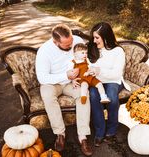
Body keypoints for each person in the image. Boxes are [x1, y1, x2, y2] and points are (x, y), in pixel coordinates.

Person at [35, 24, 93, 156]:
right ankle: (60, 133)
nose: (71, 45)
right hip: (52, 83)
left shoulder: (77, 41)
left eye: (71, 41)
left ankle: (82, 136)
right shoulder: (44, 51)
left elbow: (85, 60)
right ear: (55, 42)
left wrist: (78, 76)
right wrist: (65, 75)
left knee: (83, 93)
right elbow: (42, 77)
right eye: (67, 45)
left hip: (72, 82)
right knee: (47, 94)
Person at [87, 22, 131, 147]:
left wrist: (100, 71)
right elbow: (86, 64)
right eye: (93, 37)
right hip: (96, 81)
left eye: (97, 38)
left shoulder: (118, 51)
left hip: (113, 80)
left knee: (111, 96)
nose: (94, 41)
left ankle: (111, 129)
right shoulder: (92, 47)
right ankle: (100, 132)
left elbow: (116, 74)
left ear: (106, 37)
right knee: (94, 96)